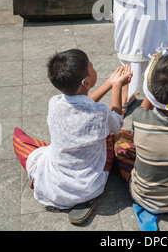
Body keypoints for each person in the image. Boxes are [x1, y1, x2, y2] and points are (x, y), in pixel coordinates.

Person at [13, 49, 132, 224]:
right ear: (87, 82)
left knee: (19, 139)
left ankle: (65, 197)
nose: (93, 66)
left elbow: (83, 102)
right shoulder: (99, 114)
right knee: (112, 138)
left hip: (53, 183)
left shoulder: (55, 103)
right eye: (91, 66)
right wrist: (116, 87)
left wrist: (108, 83)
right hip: (88, 186)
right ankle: (85, 198)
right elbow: (116, 122)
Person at [113, 47, 168, 231]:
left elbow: (146, 106)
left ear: (149, 91)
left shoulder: (139, 117)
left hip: (143, 196)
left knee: (121, 141)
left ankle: (146, 207)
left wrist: (151, 73)